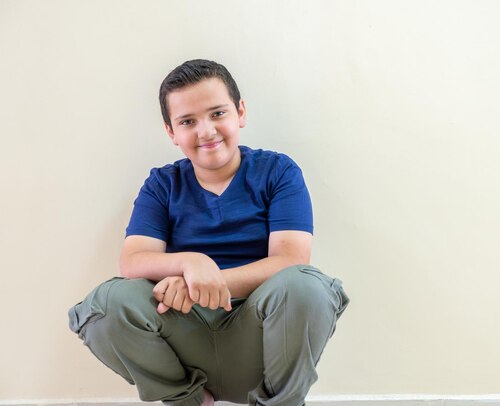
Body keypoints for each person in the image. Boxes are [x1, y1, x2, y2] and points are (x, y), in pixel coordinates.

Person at [68, 59, 349, 406]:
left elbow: (291, 259)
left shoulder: (278, 172)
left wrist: (198, 283)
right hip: (186, 334)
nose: (206, 131)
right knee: (107, 305)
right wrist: (191, 262)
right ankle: (188, 399)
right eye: (188, 121)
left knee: (306, 286)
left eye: (217, 113)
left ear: (240, 112)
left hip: (260, 336)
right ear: (172, 132)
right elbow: (133, 261)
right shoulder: (162, 184)